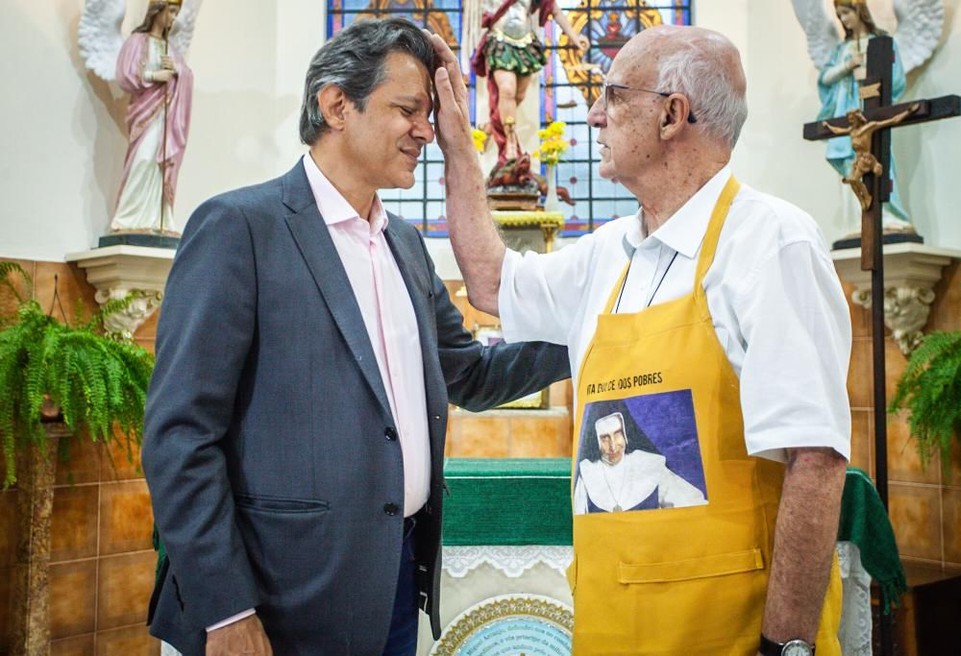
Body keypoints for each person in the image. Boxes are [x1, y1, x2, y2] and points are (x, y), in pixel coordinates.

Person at [142, 18, 570, 656]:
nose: (426, 130)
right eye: (408, 109)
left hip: (393, 583)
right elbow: (180, 435)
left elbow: (471, 376)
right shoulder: (240, 228)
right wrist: (226, 608)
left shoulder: (403, 245)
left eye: (429, 113)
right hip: (274, 595)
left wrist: (592, 332)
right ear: (337, 104)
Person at [431, 22, 851, 655]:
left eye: (614, 96)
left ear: (672, 115)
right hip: (612, 628)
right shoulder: (609, 252)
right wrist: (460, 145)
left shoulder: (768, 242)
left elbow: (816, 462)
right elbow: (491, 283)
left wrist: (784, 647)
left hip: (726, 635)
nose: (595, 116)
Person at [817, 0, 909, 226]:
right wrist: (848, 66)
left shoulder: (882, 43)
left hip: (874, 110)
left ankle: (888, 214)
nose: (844, 19)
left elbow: (896, 80)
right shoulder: (842, 50)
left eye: (847, 13)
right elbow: (825, 79)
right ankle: (858, 220)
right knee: (851, 165)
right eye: (840, 16)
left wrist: (870, 72)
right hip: (848, 111)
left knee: (881, 157)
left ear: (859, 10)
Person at [112, 0, 193, 235]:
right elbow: (125, 75)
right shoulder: (137, 41)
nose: (173, 18)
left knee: (160, 165)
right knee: (144, 159)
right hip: (145, 114)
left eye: (176, 13)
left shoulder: (171, 49)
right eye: (170, 11)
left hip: (166, 118)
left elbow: (186, 75)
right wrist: (154, 74)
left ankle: (160, 219)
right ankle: (127, 218)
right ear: (157, 10)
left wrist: (178, 71)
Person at [472, 0, 588, 163]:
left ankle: (489, 128)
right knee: (507, 90)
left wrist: (575, 39)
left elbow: (554, 10)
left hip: (525, 42)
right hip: (499, 41)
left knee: (518, 96)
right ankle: (510, 143)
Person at [573, 411, 707, 514]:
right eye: (604, 438)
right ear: (595, 440)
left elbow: (692, 502)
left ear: (626, 433)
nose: (613, 446)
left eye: (617, 433)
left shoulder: (648, 463)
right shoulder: (588, 472)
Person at [822, 104, 918, 210]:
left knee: (854, 179)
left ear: (858, 118)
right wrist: (828, 126)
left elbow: (893, 120)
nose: (851, 121)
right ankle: (863, 199)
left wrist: (908, 111)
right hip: (857, 160)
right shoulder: (852, 131)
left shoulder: (870, 127)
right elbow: (838, 131)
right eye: (850, 120)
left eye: (852, 119)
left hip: (866, 159)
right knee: (853, 182)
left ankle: (867, 197)